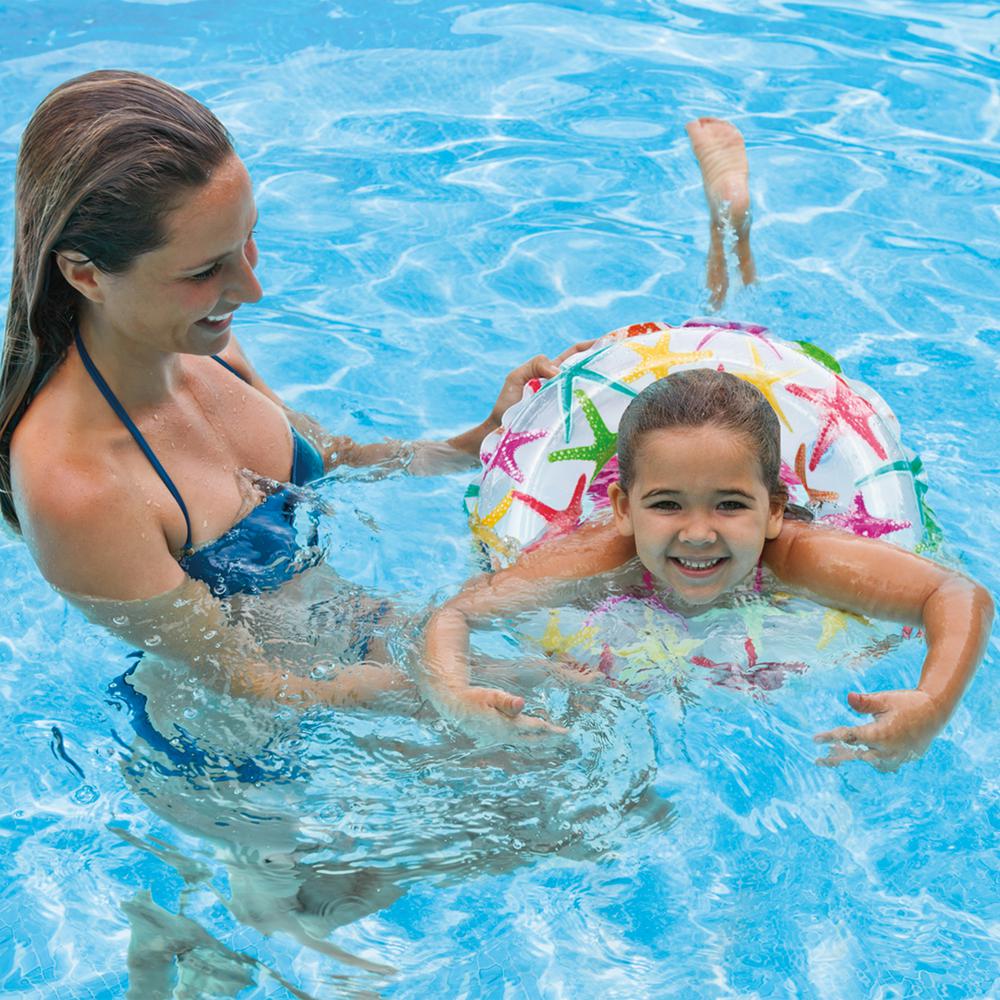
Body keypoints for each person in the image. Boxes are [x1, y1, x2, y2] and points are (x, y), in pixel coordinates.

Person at [0, 69, 592, 706]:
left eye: (248, 238)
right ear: (85, 276)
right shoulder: (78, 487)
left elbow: (335, 457)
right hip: (243, 758)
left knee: (603, 718)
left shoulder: (209, 345)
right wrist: (445, 691)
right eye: (205, 270)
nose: (251, 288)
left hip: (361, 649)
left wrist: (481, 441)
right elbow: (243, 682)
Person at [423, 368, 993, 769]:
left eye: (730, 504)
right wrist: (453, 694)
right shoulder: (600, 552)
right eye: (667, 504)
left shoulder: (800, 555)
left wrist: (933, 704)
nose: (698, 532)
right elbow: (457, 614)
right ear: (624, 509)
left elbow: (955, 592)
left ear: (773, 509)